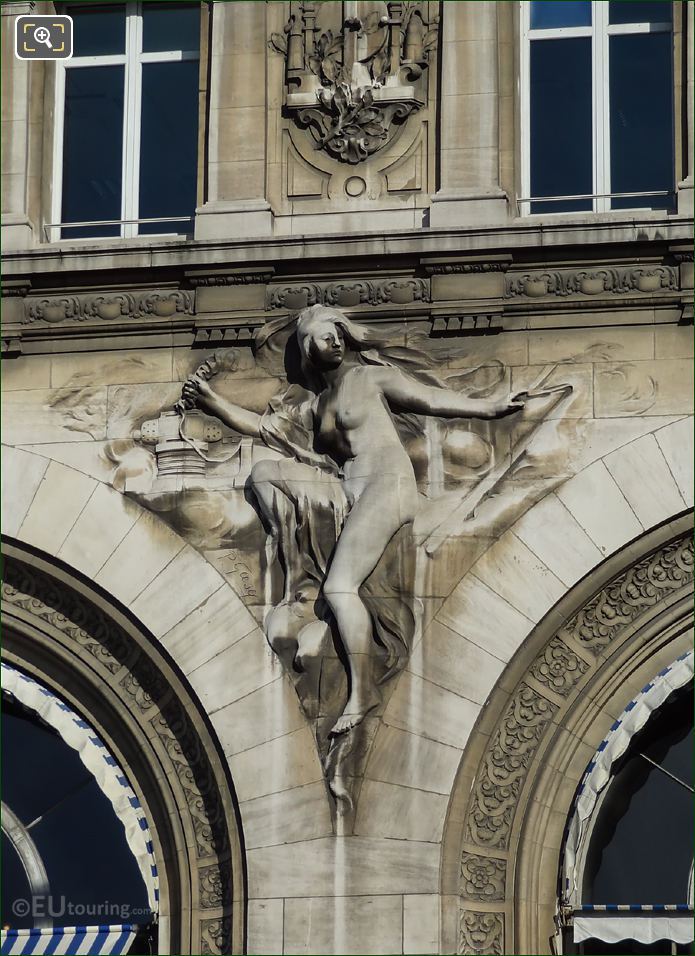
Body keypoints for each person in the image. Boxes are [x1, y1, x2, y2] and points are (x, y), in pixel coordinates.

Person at [182, 305, 524, 735]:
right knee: (266, 473)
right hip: (350, 490)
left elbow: (431, 398)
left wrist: (491, 409)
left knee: (341, 587)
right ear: (308, 347)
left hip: (387, 485)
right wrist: (212, 401)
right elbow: (260, 427)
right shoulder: (316, 406)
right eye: (327, 336)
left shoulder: (369, 378)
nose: (337, 342)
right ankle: (300, 581)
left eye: (339, 334)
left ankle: (362, 692)